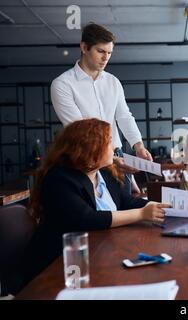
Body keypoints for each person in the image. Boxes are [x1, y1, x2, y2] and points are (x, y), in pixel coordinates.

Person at [18, 119, 170, 291]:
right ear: (91, 147)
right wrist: (142, 214)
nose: (113, 147)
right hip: (60, 271)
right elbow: (87, 218)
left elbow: (127, 202)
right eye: (109, 141)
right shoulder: (59, 179)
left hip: (99, 256)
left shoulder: (103, 173)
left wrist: (164, 207)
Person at [50, 23, 151, 194]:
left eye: (109, 53)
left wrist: (139, 147)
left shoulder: (113, 82)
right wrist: (111, 160)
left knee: (124, 208)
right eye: (101, 51)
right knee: (98, 214)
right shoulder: (62, 84)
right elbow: (79, 131)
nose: (106, 58)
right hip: (86, 161)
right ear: (84, 47)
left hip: (116, 154)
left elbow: (124, 116)